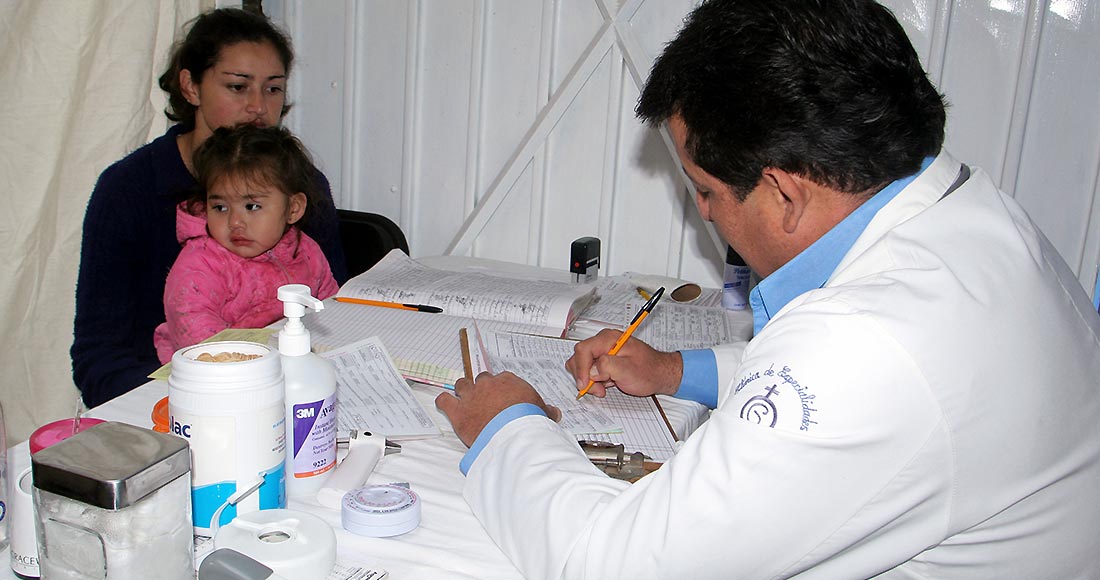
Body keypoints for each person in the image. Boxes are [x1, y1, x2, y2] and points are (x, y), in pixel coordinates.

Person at [434, 0, 1100, 578]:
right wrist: (675, 372)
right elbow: (827, 390)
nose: (704, 212)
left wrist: (507, 425)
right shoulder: (973, 215)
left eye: (705, 191)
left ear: (784, 193)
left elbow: (613, 564)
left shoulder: (868, 343)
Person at [72, 8, 347, 408]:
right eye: (238, 87)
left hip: (284, 386)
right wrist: (177, 403)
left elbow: (333, 312)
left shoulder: (302, 184)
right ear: (191, 87)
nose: (258, 107)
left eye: (273, 89)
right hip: (170, 393)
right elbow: (98, 356)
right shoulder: (128, 189)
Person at [153, 125, 339, 363]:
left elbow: (331, 309)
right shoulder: (200, 265)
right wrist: (256, 367)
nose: (235, 222)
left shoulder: (305, 251)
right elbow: (197, 337)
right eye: (220, 207)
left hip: (285, 360)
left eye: (252, 206)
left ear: (293, 209)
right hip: (212, 368)